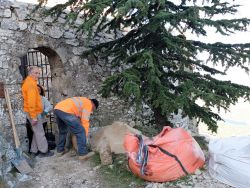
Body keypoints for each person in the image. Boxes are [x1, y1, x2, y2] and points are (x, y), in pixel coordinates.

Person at [21, 66, 54, 158]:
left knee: (37, 132)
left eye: (38, 73)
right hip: (33, 112)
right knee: (40, 132)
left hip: (33, 111)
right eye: (36, 73)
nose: (38, 75)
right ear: (30, 73)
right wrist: (34, 116)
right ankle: (44, 151)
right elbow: (31, 102)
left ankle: (34, 150)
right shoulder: (30, 84)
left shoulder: (29, 82)